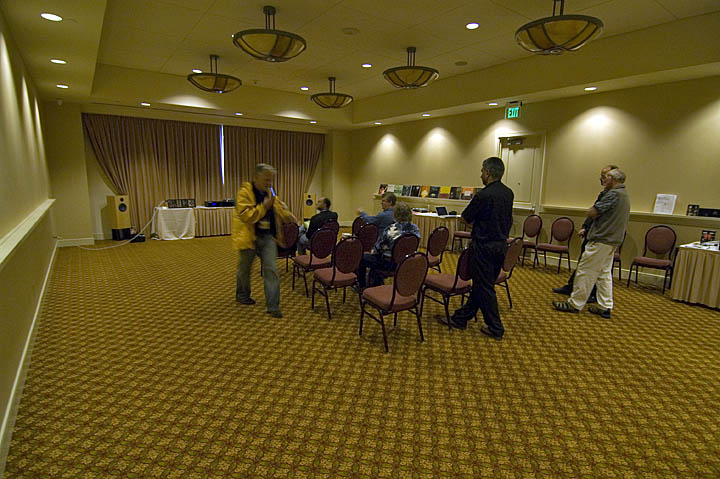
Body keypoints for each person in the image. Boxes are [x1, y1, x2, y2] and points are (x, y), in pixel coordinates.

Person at [443, 157, 514, 340]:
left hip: (483, 247)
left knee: (485, 288)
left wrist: (475, 224)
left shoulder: (483, 195)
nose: (481, 174)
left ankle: (496, 327)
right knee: (481, 285)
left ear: (488, 173)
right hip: (501, 246)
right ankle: (461, 318)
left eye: (482, 171)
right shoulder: (508, 193)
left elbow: (465, 218)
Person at [553, 168, 630, 319]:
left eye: (607, 177)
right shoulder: (624, 194)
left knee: (585, 271)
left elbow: (593, 212)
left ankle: (575, 304)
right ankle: (605, 306)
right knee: (603, 274)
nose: (603, 179)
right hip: (611, 240)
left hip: (602, 239)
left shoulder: (614, 194)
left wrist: (591, 210)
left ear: (614, 179)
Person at [232, 163, 296, 318]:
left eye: (271, 180)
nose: (269, 183)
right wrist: (264, 207)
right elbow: (247, 216)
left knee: (271, 270)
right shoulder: (244, 192)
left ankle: (273, 306)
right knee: (244, 269)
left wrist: (290, 216)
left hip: (268, 237)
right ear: (256, 177)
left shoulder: (270, 192)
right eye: (266, 179)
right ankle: (242, 295)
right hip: (249, 238)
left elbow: (279, 209)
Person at [356, 202, 420, 289]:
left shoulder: (391, 230)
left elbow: (380, 247)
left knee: (362, 258)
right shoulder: (415, 229)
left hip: (390, 264)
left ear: (395, 215)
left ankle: (362, 286)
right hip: (406, 262)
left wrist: (374, 250)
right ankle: (375, 280)